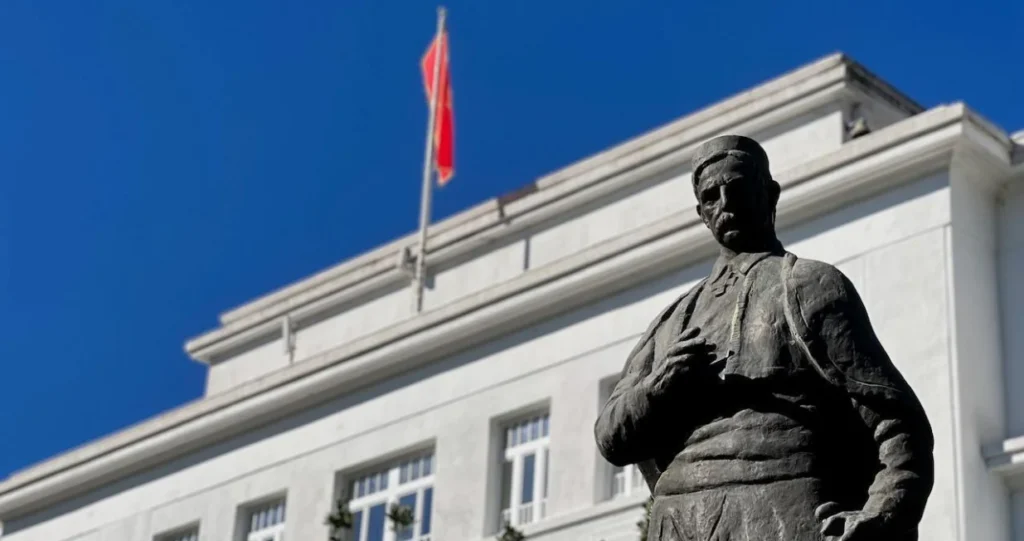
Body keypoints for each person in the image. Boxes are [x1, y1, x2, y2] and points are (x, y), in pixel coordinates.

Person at [594, 135, 934, 541]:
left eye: (737, 188)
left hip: (783, 514)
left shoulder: (809, 285)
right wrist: (658, 387)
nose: (725, 203)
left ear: (770, 195)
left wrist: (883, 511)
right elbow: (611, 438)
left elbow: (896, 420)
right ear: (701, 213)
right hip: (678, 523)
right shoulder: (671, 321)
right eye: (711, 196)